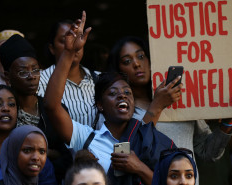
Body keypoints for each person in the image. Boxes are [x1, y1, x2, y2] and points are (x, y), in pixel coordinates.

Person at [44, 11, 175, 185]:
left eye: (127, 92)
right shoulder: (87, 138)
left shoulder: (148, 138)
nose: (122, 95)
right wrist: (69, 52)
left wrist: (139, 168)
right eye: (113, 93)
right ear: (100, 105)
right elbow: (51, 106)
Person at [106, 36, 232, 184]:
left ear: (151, 59)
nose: (136, 64)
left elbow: (209, 153)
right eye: (127, 61)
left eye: (141, 56)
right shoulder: (121, 110)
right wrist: (158, 106)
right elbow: (124, 161)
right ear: (118, 70)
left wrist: (229, 119)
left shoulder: (182, 99)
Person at [0, 34, 72, 183]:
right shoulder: (3, 111)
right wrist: (49, 153)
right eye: (23, 72)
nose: (31, 76)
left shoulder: (53, 110)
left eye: (35, 70)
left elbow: (67, 157)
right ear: (8, 77)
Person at [38, 19, 99, 127]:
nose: (73, 44)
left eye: (77, 38)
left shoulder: (100, 79)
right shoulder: (38, 82)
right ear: (52, 48)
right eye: (64, 40)